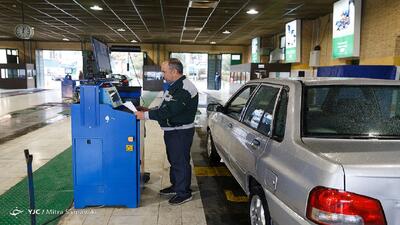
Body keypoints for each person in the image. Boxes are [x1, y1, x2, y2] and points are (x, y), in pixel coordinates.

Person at [135, 58, 198, 205]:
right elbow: (165, 106)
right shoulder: (174, 85)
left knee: (180, 162)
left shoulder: (184, 88)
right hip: (173, 131)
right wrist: (149, 110)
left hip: (180, 132)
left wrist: (145, 115)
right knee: (174, 160)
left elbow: (171, 110)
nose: (162, 74)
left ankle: (184, 193)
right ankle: (177, 186)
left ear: (174, 71)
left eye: (164, 71)